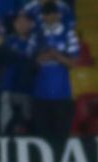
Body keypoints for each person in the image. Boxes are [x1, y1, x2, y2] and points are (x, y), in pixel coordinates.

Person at [28, 0, 78, 138]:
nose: (48, 17)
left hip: (62, 94)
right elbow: (29, 61)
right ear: (42, 16)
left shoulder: (68, 34)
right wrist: (42, 58)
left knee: (61, 136)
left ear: (58, 15)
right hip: (40, 94)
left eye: (51, 14)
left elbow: (74, 63)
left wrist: (57, 56)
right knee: (42, 136)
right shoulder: (36, 34)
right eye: (45, 14)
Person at [0, 10, 33, 133]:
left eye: (25, 21)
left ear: (31, 23)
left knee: (26, 126)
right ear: (14, 24)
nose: (21, 24)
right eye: (18, 21)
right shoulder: (7, 41)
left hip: (28, 90)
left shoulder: (35, 42)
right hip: (8, 89)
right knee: (6, 126)